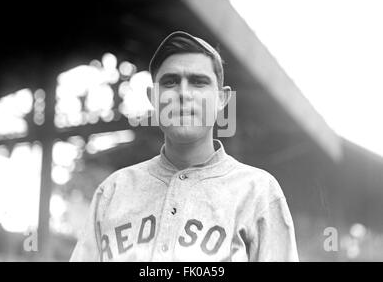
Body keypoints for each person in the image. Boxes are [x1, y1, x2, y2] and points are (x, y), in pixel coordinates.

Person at [70, 31, 299, 261]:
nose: (183, 94)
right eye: (170, 82)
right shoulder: (113, 192)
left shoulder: (257, 192)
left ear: (222, 99)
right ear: (153, 97)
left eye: (199, 82)